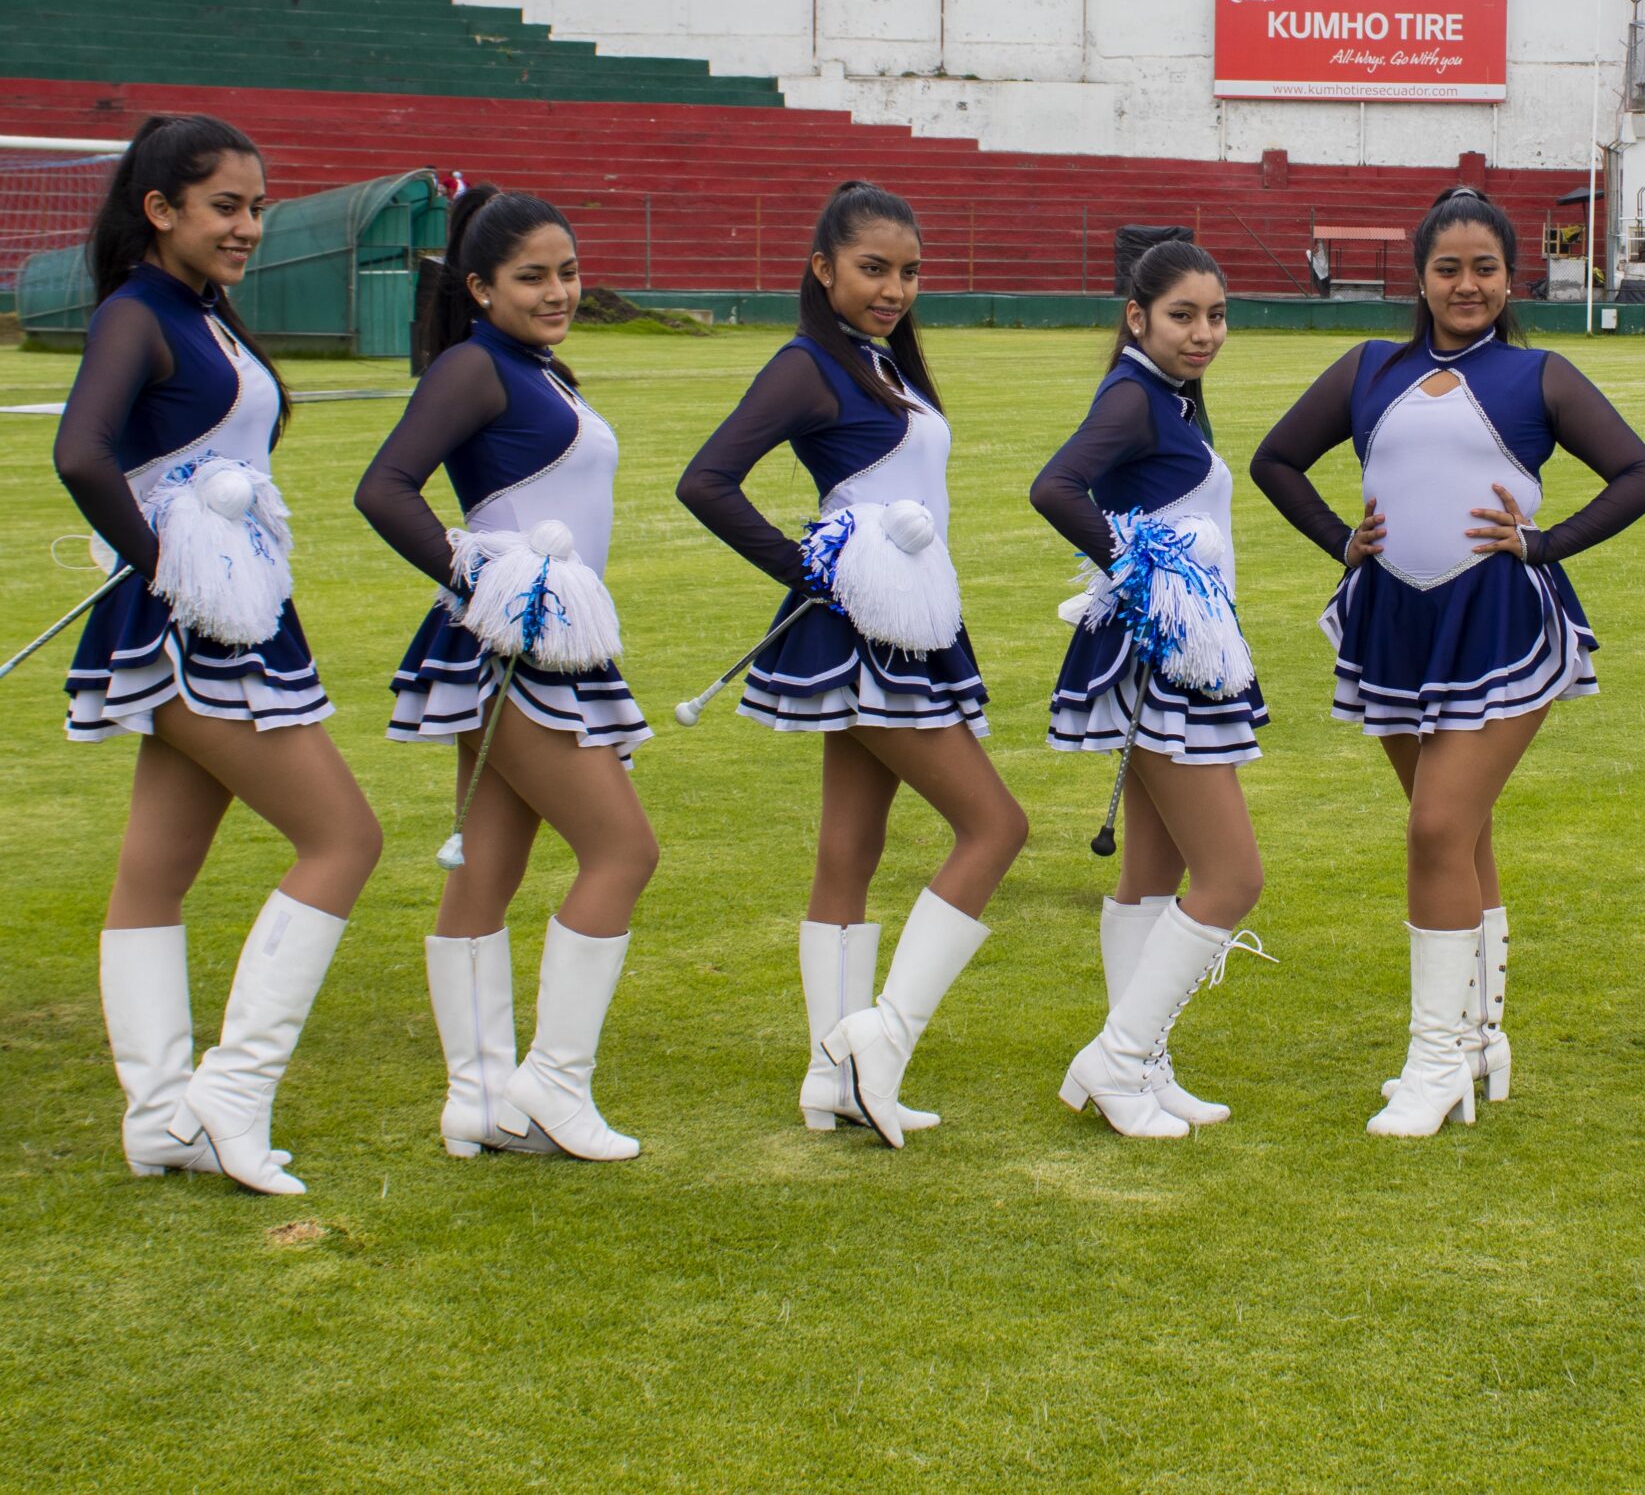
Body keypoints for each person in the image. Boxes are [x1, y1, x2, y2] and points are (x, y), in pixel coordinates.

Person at [1252, 187, 1645, 1137]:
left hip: (1499, 619)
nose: (1466, 285)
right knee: (1458, 832)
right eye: (1448, 268)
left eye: (1485, 268)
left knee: (1437, 827)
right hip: (1395, 621)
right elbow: (1276, 460)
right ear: (1422, 276)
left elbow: (1641, 475)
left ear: (1511, 279)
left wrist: (1544, 543)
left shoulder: (1539, 374)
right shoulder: (1369, 367)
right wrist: (1340, 540)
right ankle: (1478, 1041)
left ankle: (1434, 1061)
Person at [55, 115, 382, 1196]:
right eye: (225, 207)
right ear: (160, 210)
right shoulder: (136, 313)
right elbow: (80, 452)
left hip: (231, 618)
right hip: (194, 628)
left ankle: (160, 1118)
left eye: (257, 208)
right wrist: (164, 565)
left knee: (156, 868)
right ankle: (232, 1093)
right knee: (343, 838)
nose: (247, 226)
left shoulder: (201, 312)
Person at [676, 180, 1025, 1149]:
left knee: (849, 849)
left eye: (909, 271)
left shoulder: (880, 364)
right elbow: (707, 480)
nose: (894, 289)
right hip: (865, 631)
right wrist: (815, 569)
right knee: (995, 824)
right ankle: (881, 1038)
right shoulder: (807, 365)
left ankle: (831, 1075)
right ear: (823, 267)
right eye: (873, 268)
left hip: (906, 625)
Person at [355, 188, 657, 1162]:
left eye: (568, 271)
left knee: (487, 864)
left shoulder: (534, 367)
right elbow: (383, 487)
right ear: (481, 287)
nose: (558, 290)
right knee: (623, 850)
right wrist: (485, 579)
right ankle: (552, 1085)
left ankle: (478, 1099)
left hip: (547, 642)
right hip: (511, 646)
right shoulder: (474, 367)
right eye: (532, 276)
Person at [1030, 241, 1268, 1139]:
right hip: (1161, 657)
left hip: (1178, 653)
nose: (1204, 333)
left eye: (1217, 316)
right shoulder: (1133, 396)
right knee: (1232, 877)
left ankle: (1140, 1064)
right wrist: (1142, 570)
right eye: (1182, 316)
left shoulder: (1166, 396)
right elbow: (1054, 488)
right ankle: (1118, 1059)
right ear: (1137, 317)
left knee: (1152, 872)